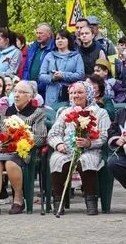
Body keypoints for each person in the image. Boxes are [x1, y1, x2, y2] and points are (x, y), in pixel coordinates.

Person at [0, 81, 47, 217]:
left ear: (30, 97)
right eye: (15, 91)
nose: (17, 95)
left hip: (24, 152)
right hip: (3, 150)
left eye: (22, 92)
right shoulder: (6, 112)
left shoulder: (37, 113)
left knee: (10, 163)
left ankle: (18, 198)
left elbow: (41, 138)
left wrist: (20, 139)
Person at [47, 81, 110, 215]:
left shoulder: (100, 112)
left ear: (89, 94)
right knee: (57, 160)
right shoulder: (65, 112)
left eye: (80, 92)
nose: (75, 96)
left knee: (86, 161)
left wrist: (89, 143)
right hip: (66, 149)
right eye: (73, 93)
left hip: (91, 149)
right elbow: (53, 133)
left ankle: (91, 201)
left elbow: (104, 136)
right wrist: (59, 144)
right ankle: (58, 202)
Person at [39, 30, 84, 107]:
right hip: (51, 96)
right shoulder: (49, 56)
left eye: (63, 38)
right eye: (57, 38)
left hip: (69, 94)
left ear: (68, 41)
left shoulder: (76, 56)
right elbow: (41, 75)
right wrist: (52, 78)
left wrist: (63, 75)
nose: (60, 40)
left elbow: (80, 75)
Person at [23, 23, 55, 98]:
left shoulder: (54, 49)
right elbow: (27, 68)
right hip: (30, 89)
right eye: (37, 33)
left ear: (49, 34)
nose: (38, 35)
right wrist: (25, 83)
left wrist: (40, 86)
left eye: (41, 33)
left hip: (44, 90)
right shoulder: (32, 48)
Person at [108, 107, 126, 191]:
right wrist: (118, 140)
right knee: (113, 162)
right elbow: (112, 130)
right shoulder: (121, 112)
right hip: (124, 152)